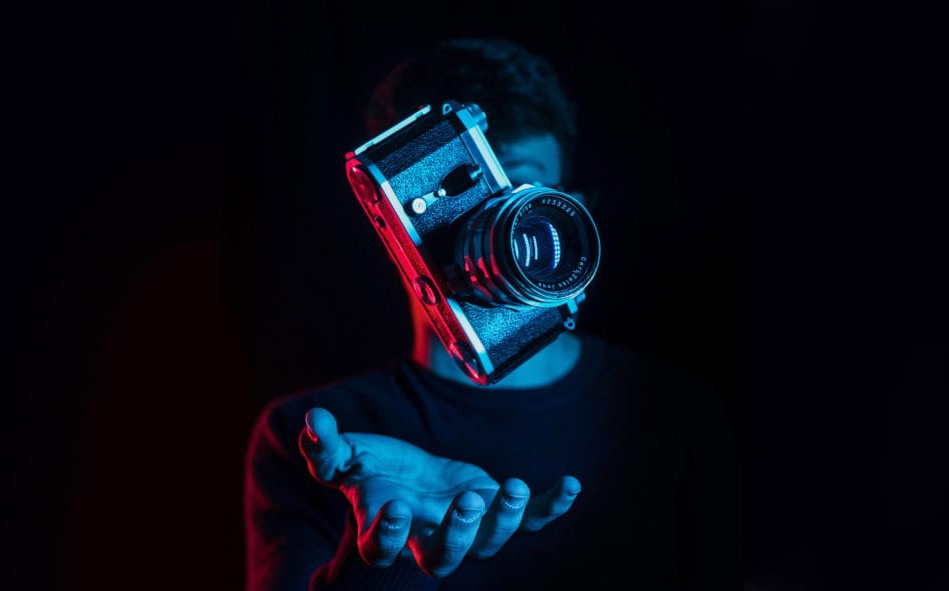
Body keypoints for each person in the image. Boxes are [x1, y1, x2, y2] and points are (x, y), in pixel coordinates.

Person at [243, 36, 741, 590]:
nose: (509, 226)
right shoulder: (319, 438)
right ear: (387, 219)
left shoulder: (667, 412)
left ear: (574, 206)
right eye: (466, 191)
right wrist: (385, 555)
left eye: (525, 190)